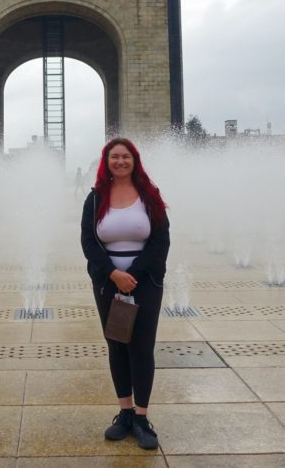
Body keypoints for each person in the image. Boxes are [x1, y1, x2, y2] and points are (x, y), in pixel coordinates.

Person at [80, 137, 170, 450]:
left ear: (135, 160)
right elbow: (89, 243)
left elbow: (161, 241)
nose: (120, 162)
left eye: (126, 156)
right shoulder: (94, 199)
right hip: (108, 282)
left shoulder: (149, 195)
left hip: (144, 282)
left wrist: (132, 275)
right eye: (114, 157)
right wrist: (113, 274)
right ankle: (125, 412)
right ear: (106, 161)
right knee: (117, 344)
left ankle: (142, 418)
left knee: (141, 347)